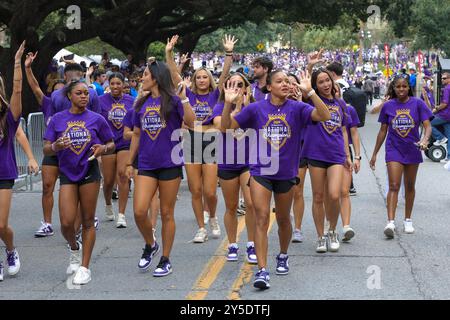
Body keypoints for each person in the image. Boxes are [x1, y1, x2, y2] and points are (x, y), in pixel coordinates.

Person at [221, 69, 330, 290]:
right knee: (261, 217)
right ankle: (262, 270)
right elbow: (226, 127)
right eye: (279, 81)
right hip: (261, 170)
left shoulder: (298, 108)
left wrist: (311, 92)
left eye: (288, 82)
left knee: (282, 219)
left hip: (287, 173)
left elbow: (325, 116)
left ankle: (282, 254)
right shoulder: (256, 108)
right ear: (269, 86)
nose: (285, 84)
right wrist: (227, 104)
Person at [126, 58, 195, 277]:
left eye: (145, 75)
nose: (142, 78)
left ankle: (165, 259)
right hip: (146, 163)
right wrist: (129, 162)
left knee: (166, 213)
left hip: (170, 163)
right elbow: (136, 134)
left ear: (155, 78)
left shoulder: (173, 101)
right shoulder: (141, 103)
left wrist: (184, 100)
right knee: (138, 211)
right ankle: (150, 244)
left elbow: (192, 122)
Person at [43, 79, 115, 285]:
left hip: (89, 172)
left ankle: (85, 267)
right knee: (66, 223)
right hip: (67, 173)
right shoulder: (58, 119)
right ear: (69, 96)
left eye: (86, 93)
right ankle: (75, 248)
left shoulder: (97, 119)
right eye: (79, 93)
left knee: (87, 220)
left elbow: (110, 143)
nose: (84, 96)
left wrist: (103, 149)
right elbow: (47, 148)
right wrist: (56, 146)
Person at [165, 35, 236, 243]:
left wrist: (228, 53)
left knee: (210, 191)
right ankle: (201, 227)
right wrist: (168, 52)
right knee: (196, 190)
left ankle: (212, 216)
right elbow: (174, 74)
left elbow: (224, 74)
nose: (202, 80)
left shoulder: (216, 94)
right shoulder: (188, 94)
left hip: (211, 142)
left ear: (209, 80)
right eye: (198, 77)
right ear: (194, 80)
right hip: (191, 142)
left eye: (205, 77)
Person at [370, 75, 432, 238]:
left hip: (412, 149)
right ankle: (390, 222)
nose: (401, 89)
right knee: (394, 184)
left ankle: (408, 220)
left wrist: (425, 140)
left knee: (410, 186)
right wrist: (375, 153)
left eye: (404, 86)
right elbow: (383, 131)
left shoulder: (418, 104)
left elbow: (427, 126)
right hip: (394, 150)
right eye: (398, 87)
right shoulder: (388, 106)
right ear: (393, 88)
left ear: (408, 88)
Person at [206, 72, 257, 264]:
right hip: (227, 162)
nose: (235, 87)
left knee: (251, 204)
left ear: (246, 88)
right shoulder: (220, 107)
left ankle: (251, 243)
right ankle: (233, 244)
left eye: (239, 84)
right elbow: (223, 127)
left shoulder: (253, 108)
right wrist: (231, 105)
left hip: (248, 163)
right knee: (231, 206)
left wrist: (243, 106)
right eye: (231, 84)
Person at [300, 67, 353, 254]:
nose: (325, 84)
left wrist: (348, 155)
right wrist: (309, 67)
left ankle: (332, 231)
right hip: (316, 154)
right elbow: (303, 88)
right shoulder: (311, 102)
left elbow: (344, 130)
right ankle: (320, 236)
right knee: (318, 196)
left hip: (336, 154)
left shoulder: (340, 103)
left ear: (333, 81)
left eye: (327, 80)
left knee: (334, 195)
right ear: (316, 85)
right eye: (320, 81)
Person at [24, 51, 65, 237]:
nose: (58, 94)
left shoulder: (77, 110)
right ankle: (47, 223)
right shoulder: (47, 104)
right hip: (51, 152)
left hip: (71, 154)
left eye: (62, 91)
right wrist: (27, 68)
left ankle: (80, 220)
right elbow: (34, 87)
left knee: (71, 190)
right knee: (47, 186)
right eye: (55, 90)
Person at [0, 41, 26, 281]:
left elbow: (17, 91)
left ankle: (10, 249)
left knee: (0, 225)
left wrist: (17, 63)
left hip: (3, 175)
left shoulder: (8, 118)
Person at [99, 72, 135, 228]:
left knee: (123, 176)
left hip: (124, 142)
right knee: (108, 181)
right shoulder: (101, 101)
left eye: (118, 83)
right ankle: (108, 204)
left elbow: (135, 121)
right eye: (112, 83)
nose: (115, 86)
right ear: (108, 84)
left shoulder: (131, 101)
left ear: (123, 85)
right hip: (108, 142)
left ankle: (122, 214)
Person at [287, 73, 306, 243]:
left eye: (295, 84)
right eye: (287, 83)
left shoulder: (303, 105)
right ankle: (285, 221)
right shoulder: (273, 104)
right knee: (285, 192)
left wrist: (299, 102)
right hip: (279, 152)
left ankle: (298, 228)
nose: (291, 87)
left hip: (300, 150)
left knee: (298, 190)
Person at [430, 72, 450, 162]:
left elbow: (445, 104)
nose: (442, 80)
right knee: (449, 136)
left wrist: (436, 109)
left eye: (444, 78)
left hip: (444, 115)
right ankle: (449, 157)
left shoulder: (447, 88)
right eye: (442, 78)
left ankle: (440, 138)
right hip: (448, 116)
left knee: (427, 124)